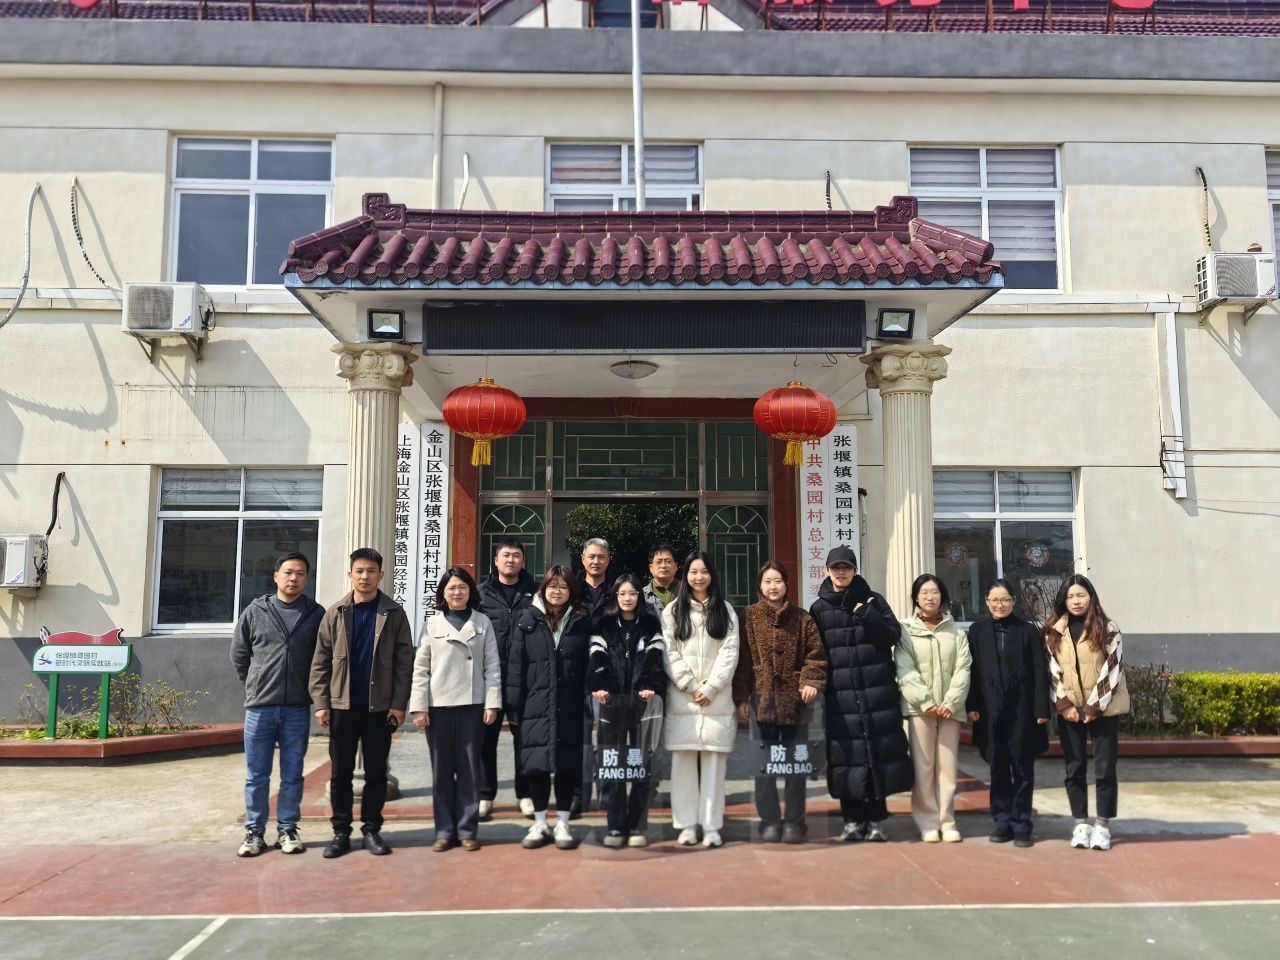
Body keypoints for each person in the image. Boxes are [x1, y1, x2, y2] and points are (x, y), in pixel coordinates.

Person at [309, 548, 414, 859]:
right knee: (340, 773)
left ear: (381, 575)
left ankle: (371, 830)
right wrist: (321, 702)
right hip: (341, 706)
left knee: (376, 773)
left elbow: (404, 664)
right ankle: (341, 832)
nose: (365, 576)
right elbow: (320, 661)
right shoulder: (335, 613)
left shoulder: (394, 614)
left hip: (379, 708)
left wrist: (398, 704)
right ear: (350, 574)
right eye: (359, 571)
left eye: (371, 571)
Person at [809, 546, 912, 843]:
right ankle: (852, 821)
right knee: (846, 758)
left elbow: (893, 635)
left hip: (876, 692)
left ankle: (876, 821)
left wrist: (868, 615)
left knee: (876, 755)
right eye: (836, 567)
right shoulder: (818, 609)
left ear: (855, 570)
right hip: (840, 698)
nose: (841, 572)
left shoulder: (873, 600)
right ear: (827, 571)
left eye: (847, 567)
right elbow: (815, 653)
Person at [230, 552, 324, 857]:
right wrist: (256, 684)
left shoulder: (315, 614)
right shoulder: (255, 611)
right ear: (276, 576)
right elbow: (239, 654)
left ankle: (287, 828)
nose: (293, 578)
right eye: (288, 572)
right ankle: (254, 832)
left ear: (306, 579)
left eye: (300, 573)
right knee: (257, 775)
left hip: (297, 708)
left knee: (293, 774)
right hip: (260, 708)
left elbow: (322, 658)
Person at [409, 567, 502, 852]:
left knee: (470, 770)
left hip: (473, 706)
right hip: (438, 707)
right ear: (443, 593)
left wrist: (492, 703)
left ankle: (467, 829)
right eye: (451, 588)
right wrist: (419, 708)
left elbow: (492, 666)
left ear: (470, 591)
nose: (457, 592)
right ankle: (444, 830)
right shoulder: (432, 624)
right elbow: (420, 669)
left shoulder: (482, 622)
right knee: (441, 771)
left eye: (462, 587)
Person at [733, 561, 826, 844]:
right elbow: (742, 660)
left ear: (786, 584)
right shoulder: (748, 617)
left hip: (796, 704)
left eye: (778, 581)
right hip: (761, 702)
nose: (773, 587)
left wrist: (810, 681)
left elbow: (815, 655)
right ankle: (770, 820)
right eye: (767, 581)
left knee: (796, 767)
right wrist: (741, 696)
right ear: (759, 586)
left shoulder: (803, 618)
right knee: (765, 766)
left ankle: (795, 821)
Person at [507, 566, 594, 851]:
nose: (557, 591)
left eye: (563, 587)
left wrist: (589, 704)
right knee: (538, 765)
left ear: (572, 592)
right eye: (552, 586)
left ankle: (563, 824)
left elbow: (590, 666)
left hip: (571, 703)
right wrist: (513, 707)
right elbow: (516, 666)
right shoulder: (527, 619)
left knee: (567, 765)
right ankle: (540, 823)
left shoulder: (581, 621)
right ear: (543, 589)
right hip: (535, 703)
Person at [1044, 574, 1129, 852]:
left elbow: (1113, 669)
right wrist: (1065, 705)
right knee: (1074, 769)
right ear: (1063, 601)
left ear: (1091, 597)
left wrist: (1094, 707)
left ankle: (1102, 825)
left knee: (1105, 770)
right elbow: (1052, 670)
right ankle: (1081, 823)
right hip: (1070, 712)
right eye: (1070, 596)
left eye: (1081, 595)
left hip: (1104, 711)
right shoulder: (1053, 631)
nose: (1076, 601)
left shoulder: (1108, 628)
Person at [662, 550, 739, 849]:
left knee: (714, 768)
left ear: (712, 575)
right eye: (693, 572)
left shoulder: (725, 610)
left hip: (715, 700)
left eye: (704, 571)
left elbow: (730, 652)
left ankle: (711, 827)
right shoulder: (672, 611)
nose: (699, 577)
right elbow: (668, 652)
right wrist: (690, 685)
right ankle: (686, 825)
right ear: (685, 576)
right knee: (682, 767)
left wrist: (711, 687)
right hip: (683, 699)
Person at [965, 578, 1050, 848]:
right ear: (986, 602)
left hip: (1023, 711)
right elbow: (973, 672)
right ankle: (1002, 821)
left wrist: (1041, 709)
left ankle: (1021, 822)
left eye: (1005, 600)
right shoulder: (977, 631)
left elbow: (1040, 671)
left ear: (1014, 601)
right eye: (994, 600)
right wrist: (972, 706)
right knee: (998, 767)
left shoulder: (1027, 631)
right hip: (990, 710)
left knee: (1023, 769)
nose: (999, 605)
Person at [588, 574, 667, 848]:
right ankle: (615, 825)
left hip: (642, 706)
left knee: (641, 766)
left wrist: (648, 685)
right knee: (613, 767)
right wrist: (600, 686)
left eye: (632, 593)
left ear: (639, 596)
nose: (627, 598)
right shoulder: (603, 625)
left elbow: (655, 659)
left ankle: (637, 825)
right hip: (611, 706)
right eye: (622, 593)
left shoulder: (650, 624)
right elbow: (597, 658)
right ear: (615, 597)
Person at [896, 573, 972, 843]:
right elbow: (904, 669)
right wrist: (926, 702)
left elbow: (963, 669)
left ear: (942, 597)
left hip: (951, 710)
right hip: (921, 710)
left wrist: (950, 702)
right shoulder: (905, 630)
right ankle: (928, 822)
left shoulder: (956, 631)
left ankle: (947, 821)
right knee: (924, 767)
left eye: (935, 592)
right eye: (925, 592)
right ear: (916, 598)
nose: (930, 597)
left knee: (947, 768)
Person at [477, 538, 538, 820]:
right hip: (490, 677)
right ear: (496, 560)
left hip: (524, 678)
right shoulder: (481, 594)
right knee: (485, 740)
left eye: (516, 555)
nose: (511, 560)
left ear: (523, 561)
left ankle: (525, 794)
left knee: (524, 740)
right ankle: (485, 795)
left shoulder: (536, 593)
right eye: (506, 555)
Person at [578, 538, 613, 620]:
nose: (596, 562)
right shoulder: (572, 589)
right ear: (583, 559)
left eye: (601, 557)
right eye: (591, 557)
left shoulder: (617, 590)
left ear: (608, 560)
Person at [642, 543, 679, 616]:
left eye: (668, 561)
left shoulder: (688, 592)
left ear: (676, 566)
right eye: (659, 562)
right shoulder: (642, 596)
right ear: (650, 568)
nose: (663, 566)